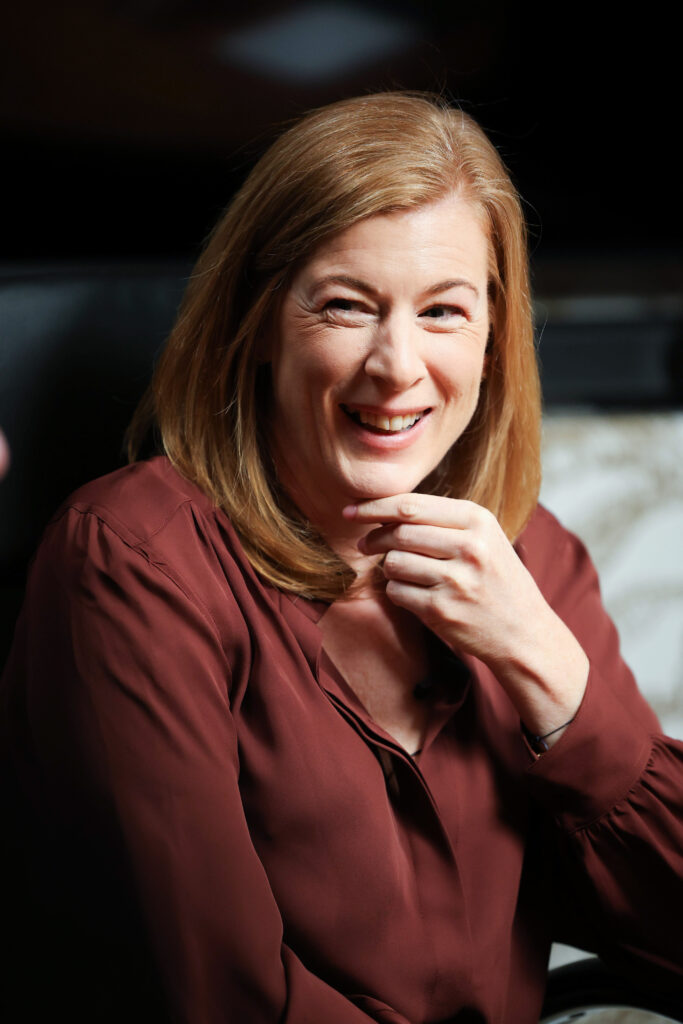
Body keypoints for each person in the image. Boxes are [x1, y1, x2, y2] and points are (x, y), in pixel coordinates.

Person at [1, 92, 682, 1024]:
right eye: (347, 307)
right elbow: (224, 997)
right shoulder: (132, 562)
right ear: (257, 324)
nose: (397, 366)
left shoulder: (533, 560)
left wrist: (547, 670)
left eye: (442, 311)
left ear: (492, 336)